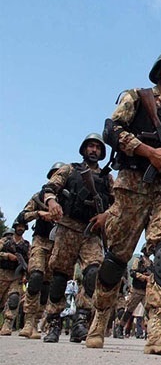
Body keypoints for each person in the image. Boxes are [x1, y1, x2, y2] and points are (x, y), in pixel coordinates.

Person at [85, 50, 161, 355]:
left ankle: (157, 328)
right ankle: (100, 316)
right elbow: (112, 130)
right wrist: (147, 151)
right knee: (116, 258)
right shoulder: (136, 97)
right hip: (132, 187)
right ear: (157, 70)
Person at [41, 134, 114, 343]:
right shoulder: (69, 169)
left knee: (93, 272)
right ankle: (54, 322)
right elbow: (49, 188)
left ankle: (80, 320)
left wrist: (106, 215)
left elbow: (119, 202)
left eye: (97, 147)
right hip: (67, 228)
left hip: (91, 232)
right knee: (59, 277)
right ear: (84, 149)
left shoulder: (107, 178)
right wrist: (52, 202)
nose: (94, 150)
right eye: (90, 146)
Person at [16, 162, 65, 340]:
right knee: (36, 276)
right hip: (40, 241)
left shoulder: (69, 197)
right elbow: (22, 217)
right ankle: (28, 321)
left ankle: (37, 322)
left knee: (47, 286)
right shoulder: (39, 197)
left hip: (58, 245)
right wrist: (39, 214)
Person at [114, 244, 152, 338]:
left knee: (150, 311)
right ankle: (120, 327)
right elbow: (133, 272)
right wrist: (144, 277)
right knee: (129, 311)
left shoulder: (151, 263)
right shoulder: (138, 260)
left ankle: (150, 332)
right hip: (136, 290)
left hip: (146, 290)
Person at [0, 223, 30, 335]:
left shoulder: (26, 245)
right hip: (2, 273)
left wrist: (26, 275)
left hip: (16, 276)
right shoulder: (4, 241)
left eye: (23, 227)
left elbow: (29, 262)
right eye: (19, 226)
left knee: (14, 299)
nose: (20, 228)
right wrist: (7, 256)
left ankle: (7, 325)